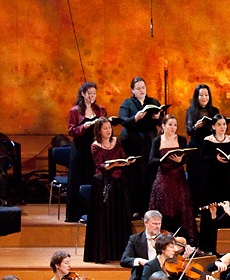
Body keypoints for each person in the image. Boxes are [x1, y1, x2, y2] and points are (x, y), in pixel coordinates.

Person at [87, 118, 136, 264]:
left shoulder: (116, 141)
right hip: (103, 183)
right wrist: (112, 165)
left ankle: (120, 252)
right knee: (104, 218)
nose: (108, 131)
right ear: (99, 131)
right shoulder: (95, 146)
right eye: (105, 128)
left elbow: (122, 157)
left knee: (119, 216)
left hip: (118, 183)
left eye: (109, 128)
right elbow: (100, 165)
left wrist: (127, 162)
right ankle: (104, 253)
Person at [118, 76, 164, 216]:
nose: (141, 90)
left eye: (143, 87)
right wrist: (135, 118)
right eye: (138, 88)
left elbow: (162, 121)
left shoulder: (153, 102)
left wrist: (158, 118)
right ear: (132, 90)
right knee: (134, 176)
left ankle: (148, 207)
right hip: (133, 144)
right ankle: (134, 209)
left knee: (149, 174)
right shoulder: (127, 103)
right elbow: (123, 121)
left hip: (149, 143)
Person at [148, 113, 196, 242]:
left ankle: (184, 239)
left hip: (178, 178)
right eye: (170, 125)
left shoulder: (181, 139)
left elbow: (186, 157)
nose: (173, 127)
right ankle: (163, 238)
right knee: (164, 206)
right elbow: (151, 160)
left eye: (175, 125)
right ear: (163, 126)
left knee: (182, 206)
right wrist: (162, 160)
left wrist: (181, 160)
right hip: (164, 177)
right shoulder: (157, 140)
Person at [67, 81, 108, 223]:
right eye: (89, 94)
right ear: (83, 94)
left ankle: (94, 213)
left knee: (94, 177)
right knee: (79, 179)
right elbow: (71, 131)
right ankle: (77, 213)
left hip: (95, 148)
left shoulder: (100, 110)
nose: (92, 96)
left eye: (94, 93)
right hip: (80, 149)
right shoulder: (74, 111)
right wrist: (83, 127)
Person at [197, 113, 230, 254]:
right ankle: (208, 247)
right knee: (211, 211)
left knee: (226, 210)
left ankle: (225, 246)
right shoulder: (208, 140)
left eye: (224, 124)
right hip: (212, 181)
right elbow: (202, 158)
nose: (222, 127)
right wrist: (215, 157)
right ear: (213, 126)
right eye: (219, 124)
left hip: (227, 180)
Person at [184, 84, 221, 216]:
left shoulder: (214, 110)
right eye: (201, 95)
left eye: (206, 95)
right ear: (197, 97)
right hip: (196, 148)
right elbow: (189, 131)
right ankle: (195, 210)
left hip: (210, 147)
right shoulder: (191, 111)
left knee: (209, 179)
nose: (204, 97)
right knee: (196, 180)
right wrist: (196, 126)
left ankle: (210, 209)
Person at [121, 210, 164, 280]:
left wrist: (185, 254)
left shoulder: (166, 238)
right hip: (142, 279)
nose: (157, 226)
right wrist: (139, 260)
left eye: (159, 224)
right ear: (146, 223)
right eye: (154, 224)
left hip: (163, 279)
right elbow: (124, 260)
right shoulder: (135, 239)